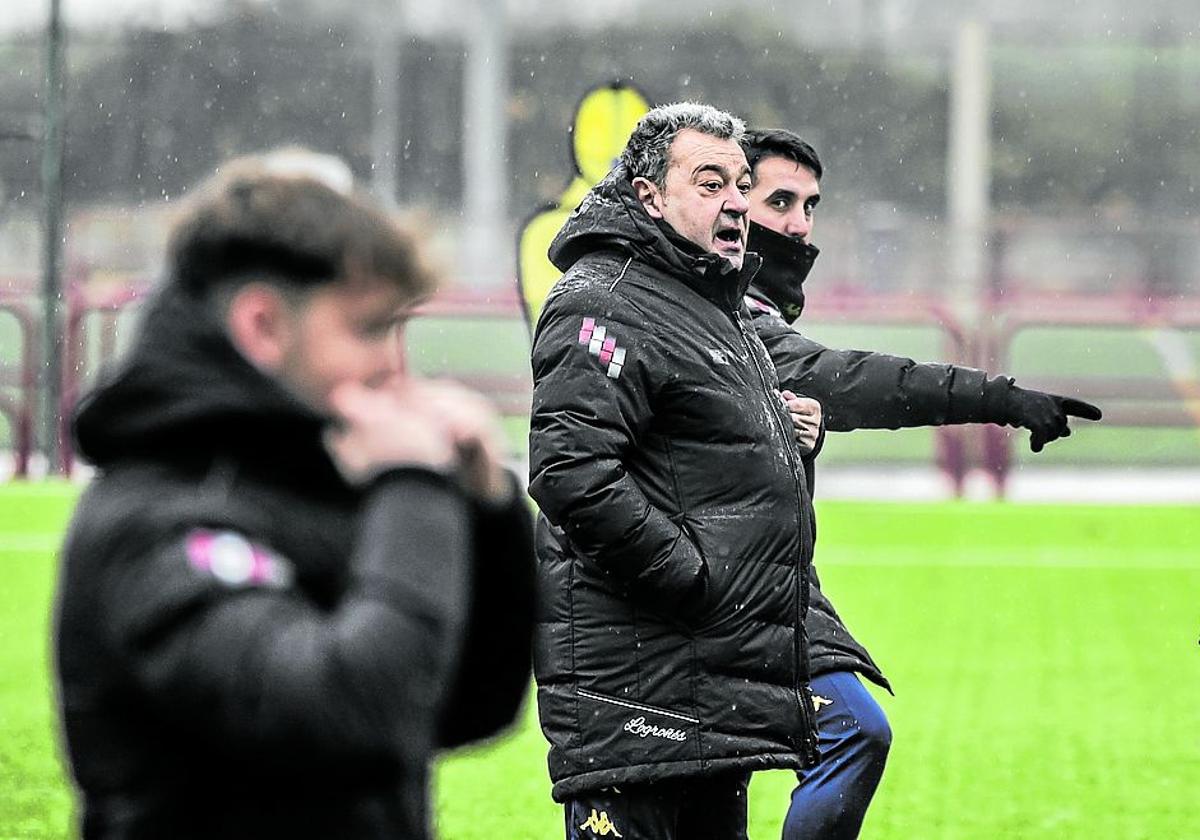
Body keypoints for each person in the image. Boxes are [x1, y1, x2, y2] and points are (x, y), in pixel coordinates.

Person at [52, 149, 535, 840]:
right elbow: (345, 715)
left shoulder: (311, 476)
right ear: (263, 327)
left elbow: (467, 705)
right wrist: (412, 484)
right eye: (371, 329)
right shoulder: (158, 515)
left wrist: (488, 513)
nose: (393, 366)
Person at [740, 128, 1103, 839]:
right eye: (778, 201)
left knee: (829, 742)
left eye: (810, 206)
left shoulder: (745, 312)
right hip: (707, 594)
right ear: (723, 204)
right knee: (849, 732)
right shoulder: (721, 324)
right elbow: (859, 382)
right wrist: (997, 398)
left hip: (756, 588)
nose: (797, 224)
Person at [528, 102, 822, 840]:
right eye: (709, 182)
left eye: (741, 184)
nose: (734, 202)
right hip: (639, 697)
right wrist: (692, 576)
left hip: (709, 694)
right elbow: (571, 471)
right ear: (649, 195)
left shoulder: (709, 306)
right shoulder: (604, 299)